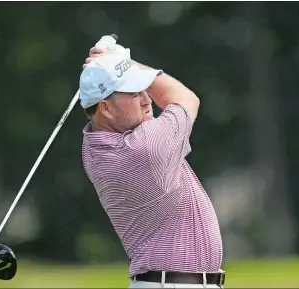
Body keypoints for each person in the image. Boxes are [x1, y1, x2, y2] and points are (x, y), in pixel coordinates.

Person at [79, 36, 225, 288]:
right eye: (135, 94)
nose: (147, 100)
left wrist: (116, 66)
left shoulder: (93, 145)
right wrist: (124, 62)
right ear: (105, 108)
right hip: (172, 284)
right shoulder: (145, 148)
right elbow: (184, 98)